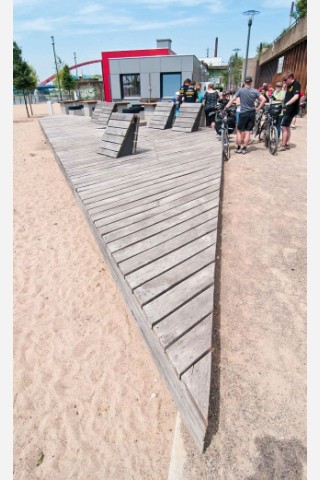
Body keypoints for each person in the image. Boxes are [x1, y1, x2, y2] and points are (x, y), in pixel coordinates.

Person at [224, 75, 266, 154]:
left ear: (244, 82)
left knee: (239, 131)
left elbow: (233, 99)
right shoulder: (255, 91)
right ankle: (244, 148)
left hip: (243, 113)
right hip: (252, 113)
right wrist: (258, 108)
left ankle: (239, 148)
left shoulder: (241, 90)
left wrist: (226, 107)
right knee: (248, 131)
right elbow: (264, 99)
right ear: (251, 82)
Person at [279, 71, 301, 150]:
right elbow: (287, 95)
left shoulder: (296, 84)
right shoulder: (289, 85)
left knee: (283, 126)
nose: (284, 82)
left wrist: (287, 104)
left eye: (285, 80)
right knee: (287, 126)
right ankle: (287, 142)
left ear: (290, 77)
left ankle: (283, 144)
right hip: (288, 108)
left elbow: (296, 96)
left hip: (291, 109)